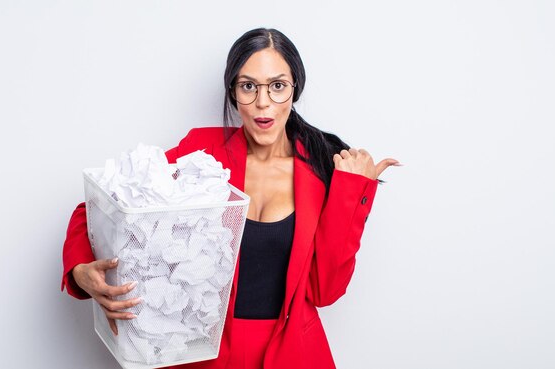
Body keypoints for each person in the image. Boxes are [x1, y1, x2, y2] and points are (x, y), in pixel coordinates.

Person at [61, 27, 399, 369]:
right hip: (205, 356)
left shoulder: (323, 169)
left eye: (277, 86)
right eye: (248, 86)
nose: (262, 102)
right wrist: (79, 269)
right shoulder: (202, 155)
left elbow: (324, 291)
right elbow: (99, 206)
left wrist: (350, 192)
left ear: (295, 89)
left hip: (292, 356)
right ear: (233, 92)